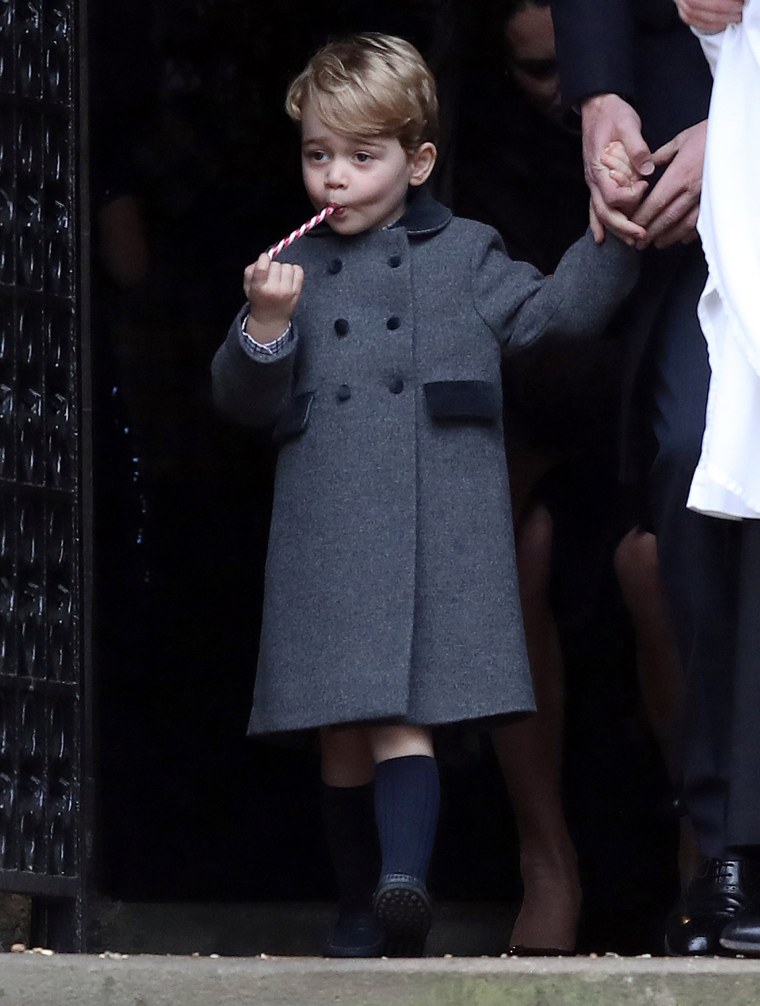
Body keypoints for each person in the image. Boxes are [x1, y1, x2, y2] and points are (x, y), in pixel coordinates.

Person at [211, 32, 637, 959]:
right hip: (328, 526)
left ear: (419, 161)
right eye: (319, 154)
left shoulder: (467, 255)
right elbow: (240, 402)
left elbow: (551, 316)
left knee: (406, 717)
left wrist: (617, 230)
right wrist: (266, 326)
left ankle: (404, 883)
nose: (335, 177)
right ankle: (358, 900)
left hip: (429, 521)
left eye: (363, 157)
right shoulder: (292, 271)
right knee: (338, 730)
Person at [451, 0, 686, 955]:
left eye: (569, 67)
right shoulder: (484, 169)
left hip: (651, 399)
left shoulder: (676, 110)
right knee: (511, 554)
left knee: (658, 562)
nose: (561, 92)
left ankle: (704, 852)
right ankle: (547, 865)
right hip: (534, 420)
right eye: (537, 72)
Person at [548, 0, 760, 957]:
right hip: (676, 130)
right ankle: (725, 844)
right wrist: (597, 93)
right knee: (691, 463)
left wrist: (750, 124)